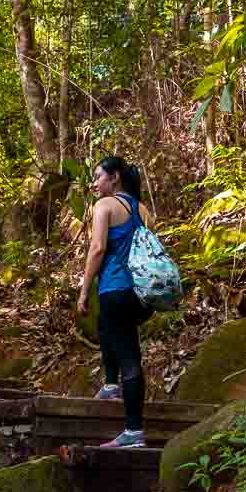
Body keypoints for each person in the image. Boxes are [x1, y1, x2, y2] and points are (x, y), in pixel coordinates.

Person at [78, 156, 153, 448]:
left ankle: (134, 431)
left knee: (130, 359)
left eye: (98, 177)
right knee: (109, 330)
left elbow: (97, 249)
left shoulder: (104, 206)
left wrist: (84, 290)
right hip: (139, 292)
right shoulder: (144, 210)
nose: (94, 183)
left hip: (114, 287)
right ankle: (110, 385)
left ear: (115, 177)